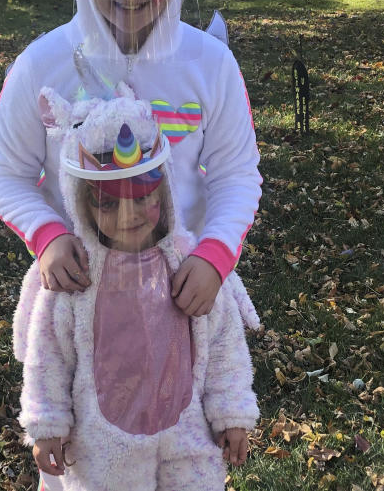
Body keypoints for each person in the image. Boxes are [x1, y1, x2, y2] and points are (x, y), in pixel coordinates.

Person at [0, 0, 261, 317]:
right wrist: (46, 235)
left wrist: (214, 256)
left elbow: (236, 175)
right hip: (79, 306)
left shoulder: (211, 66)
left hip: (181, 298)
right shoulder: (40, 65)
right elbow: (7, 174)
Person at [13, 87, 260, 490]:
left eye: (143, 197)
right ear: (82, 203)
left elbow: (224, 344)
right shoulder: (75, 275)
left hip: (188, 440)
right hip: (103, 450)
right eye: (108, 204)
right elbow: (48, 356)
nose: (128, 215)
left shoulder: (187, 263)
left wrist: (231, 414)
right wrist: (47, 424)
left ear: (163, 192)